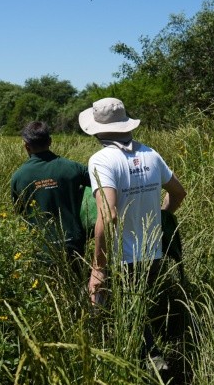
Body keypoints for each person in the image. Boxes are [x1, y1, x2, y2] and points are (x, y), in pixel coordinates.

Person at [79, 97, 187, 366]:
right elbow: (178, 192)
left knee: (122, 315)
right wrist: (161, 217)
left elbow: (108, 214)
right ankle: (152, 359)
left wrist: (98, 267)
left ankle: (148, 364)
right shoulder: (150, 154)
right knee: (143, 310)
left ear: (97, 130)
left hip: (121, 257)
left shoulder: (101, 160)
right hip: (153, 250)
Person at [11, 121, 91, 271]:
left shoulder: (18, 177)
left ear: (26, 146)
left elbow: (19, 213)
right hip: (74, 244)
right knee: (78, 285)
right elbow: (103, 186)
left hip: (41, 247)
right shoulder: (73, 168)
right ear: (50, 141)